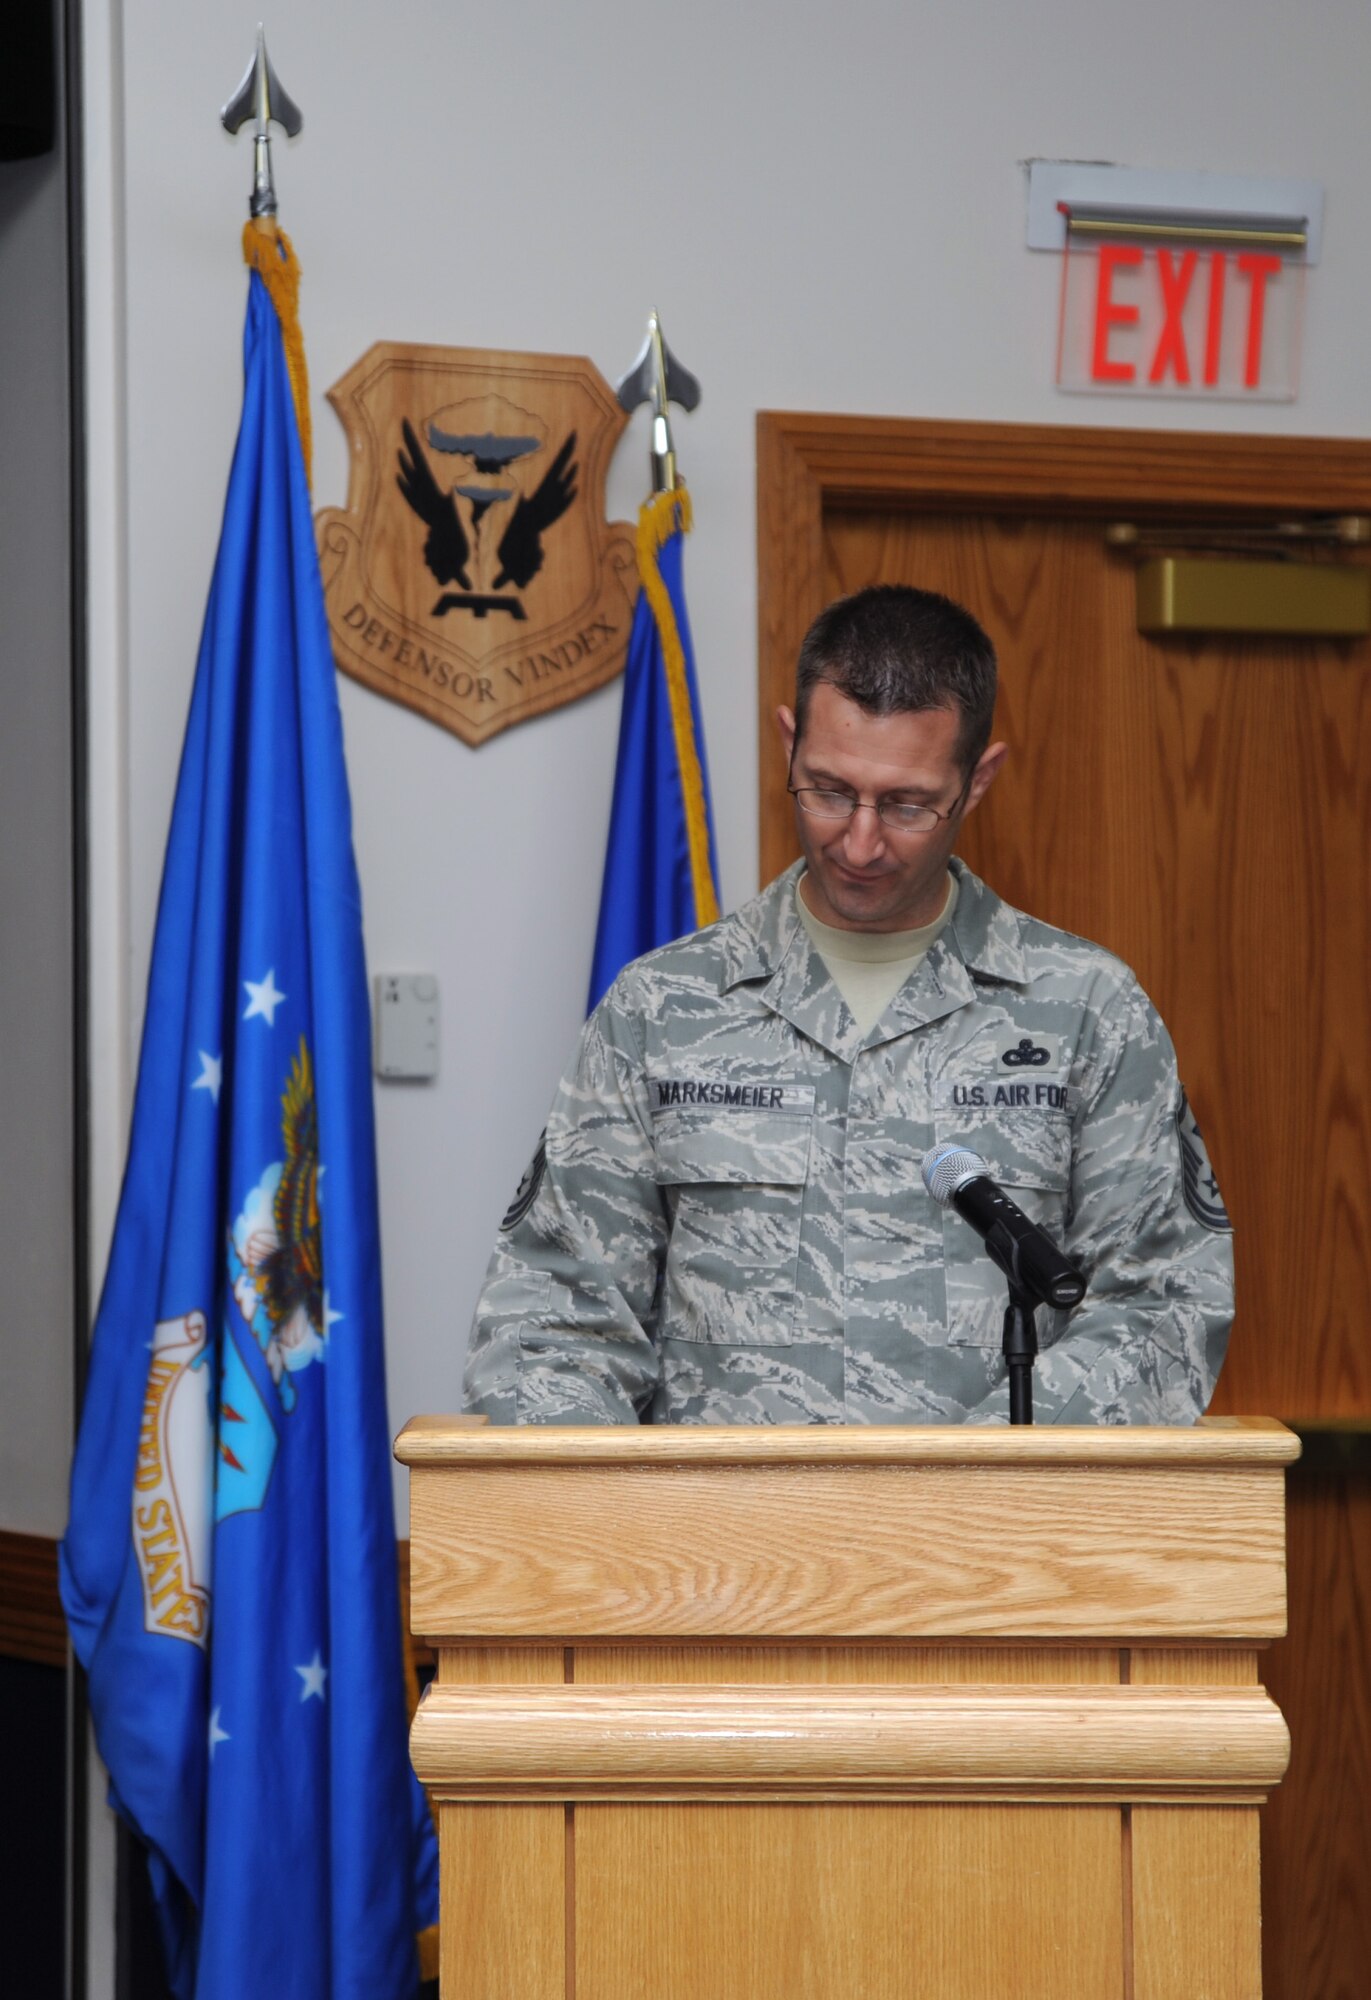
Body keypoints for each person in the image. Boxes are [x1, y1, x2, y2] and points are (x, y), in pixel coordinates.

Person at [464, 585, 1233, 1426]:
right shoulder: (661, 1010)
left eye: (906, 805)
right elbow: (554, 1318)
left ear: (977, 780)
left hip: (983, 1546)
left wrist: (966, 1486)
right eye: (828, 790)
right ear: (789, 745)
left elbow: (1162, 1308)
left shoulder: (1084, 1011)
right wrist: (627, 1534)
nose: (859, 842)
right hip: (716, 1549)